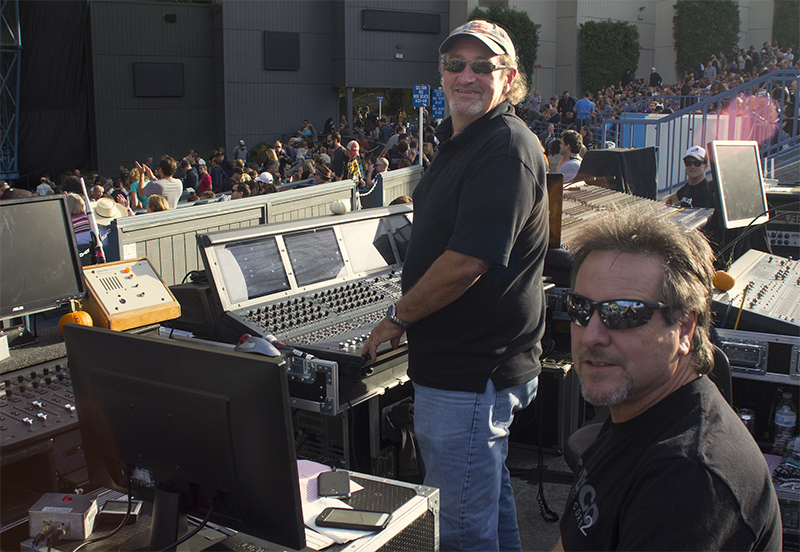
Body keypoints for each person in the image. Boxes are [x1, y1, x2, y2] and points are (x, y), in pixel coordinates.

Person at [361, 20, 548, 552]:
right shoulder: (464, 141)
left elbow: (468, 261)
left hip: (470, 371)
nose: (466, 76)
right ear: (441, 74)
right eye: (455, 65)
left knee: (461, 531)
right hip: (471, 367)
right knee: (487, 504)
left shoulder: (504, 147)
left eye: (482, 66)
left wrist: (398, 316)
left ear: (508, 77)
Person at [555, 209, 782, 551]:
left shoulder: (689, 481)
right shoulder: (634, 408)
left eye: (625, 312)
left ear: (685, 328)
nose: (591, 335)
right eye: (580, 308)